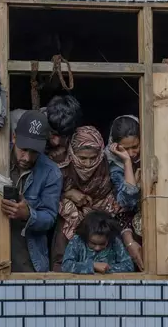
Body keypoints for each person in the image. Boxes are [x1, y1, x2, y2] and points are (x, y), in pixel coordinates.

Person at [52, 126, 128, 272]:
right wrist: (67, 194)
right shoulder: (61, 167)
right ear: (72, 153)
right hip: (69, 215)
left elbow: (121, 197)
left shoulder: (108, 166)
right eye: (82, 158)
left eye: (93, 158)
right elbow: (47, 196)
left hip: (102, 215)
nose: (88, 164)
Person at [0, 110, 63, 272]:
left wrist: (28, 215)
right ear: (14, 138)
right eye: (23, 149)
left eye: (34, 152)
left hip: (28, 259)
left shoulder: (51, 172)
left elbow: (50, 217)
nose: (26, 158)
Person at [105, 115, 144, 271]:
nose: (131, 153)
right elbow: (127, 201)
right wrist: (127, 163)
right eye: (124, 148)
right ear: (114, 146)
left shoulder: (150, 156)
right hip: (123, 225)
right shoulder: (113, 164)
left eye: (135, 146)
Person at [10, 95, 83, 168]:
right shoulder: (18, 121)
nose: (56, 142)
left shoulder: (76, 137)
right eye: (52, 133)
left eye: (63, 136)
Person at [61, 211, 134, 274]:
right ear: (86, 237)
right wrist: (92, 266)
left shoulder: (114, 241)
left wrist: (107, 268)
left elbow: (129, 266)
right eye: (93, 243)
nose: (97, 248)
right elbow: (66, 266)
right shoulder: (78, 240)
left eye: (102, 244)